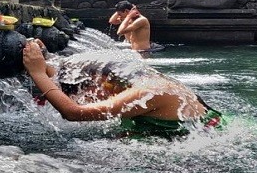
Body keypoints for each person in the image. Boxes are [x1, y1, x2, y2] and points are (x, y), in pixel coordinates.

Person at [22, 40, 223, 138]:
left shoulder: (147, 91)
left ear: (103, 80)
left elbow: (73, 113)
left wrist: (38, 74)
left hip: (208, 145)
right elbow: (67, 75)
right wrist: (45, 60)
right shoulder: (134, 80)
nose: (85, 97)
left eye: (85, 91)